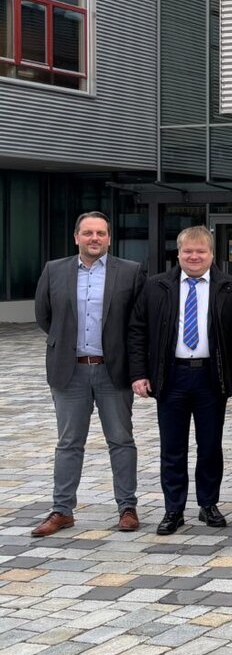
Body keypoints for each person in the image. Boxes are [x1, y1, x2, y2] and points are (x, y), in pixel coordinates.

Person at [128, 225, 232, 536]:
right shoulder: (156, 286)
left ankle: (208, 504)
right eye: (188, 251)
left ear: (212, 254)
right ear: (178, 253)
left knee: (210, 445)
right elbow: (137, 330)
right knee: (172, 447)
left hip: (211, 377)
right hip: (171, 376)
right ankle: (174, 510)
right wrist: (139, 373)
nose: (194, 256)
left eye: (201, 251)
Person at [31, 212, 145, 537]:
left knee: (122, 441)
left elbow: (137, 323)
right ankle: (62, 511)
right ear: (76, 237)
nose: (94, 238)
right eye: (88, 233)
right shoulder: (54, 270)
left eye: (101, 233)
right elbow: (44, 315)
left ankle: (127, 508)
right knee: (68, 443)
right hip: (71, 371)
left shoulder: (130, 272)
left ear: (109, 238)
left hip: (114, 372)